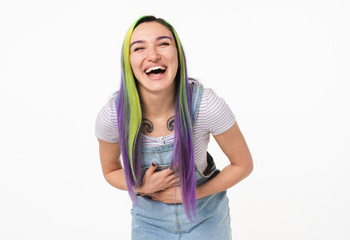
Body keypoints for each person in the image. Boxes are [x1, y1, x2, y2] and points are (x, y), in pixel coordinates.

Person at [95, 15, 253, 240]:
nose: (153, 55)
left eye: (163, 43)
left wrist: (191, 194)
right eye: (139, 48)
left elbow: (243, 165)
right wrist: (141, 187)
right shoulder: (114, 114)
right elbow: (110, 171)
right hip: (149, 223)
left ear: (177, 55)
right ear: (128, 62)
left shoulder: (206, 105)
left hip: (206, 219)